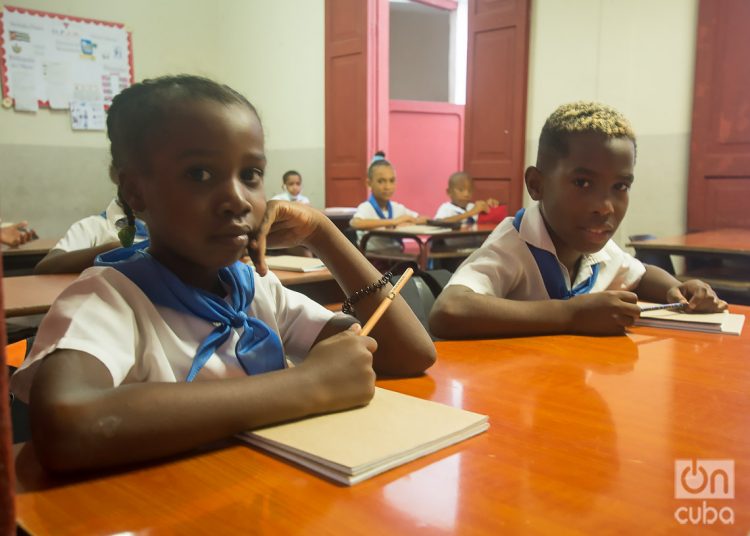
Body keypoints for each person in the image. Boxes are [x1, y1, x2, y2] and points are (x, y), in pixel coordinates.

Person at [10, 75, 435, 473]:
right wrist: (308, 385)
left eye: (250, 175)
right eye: (200, 174)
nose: (236, 199)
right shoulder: (108, 298)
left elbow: (409, 355)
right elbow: (65, 425)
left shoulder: (256, 289)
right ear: (135, 191)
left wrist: (323, 235)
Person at [430, 101, 727, 339]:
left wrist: (677, 289)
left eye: (620, 187)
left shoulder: (595, 247)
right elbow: (449, 310)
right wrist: (570, 314)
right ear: (536, 185)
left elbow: (641, 274)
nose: (605, 207)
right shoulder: (513, 245)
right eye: (583, 183)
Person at [34, 172, 149, 274]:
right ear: (116, 174)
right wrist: (115, 250)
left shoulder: (162, 230)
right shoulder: (93, 227)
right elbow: (45, 266)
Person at [349, 151, 429, 251]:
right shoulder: (366, 207)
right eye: (381, 181)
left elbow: (425, 219)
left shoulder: (397, 207)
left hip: (397, 257)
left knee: (416, 262)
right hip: (373, 260)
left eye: (391, 181)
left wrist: (412, 221)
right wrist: (394, 222)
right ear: (369, 183)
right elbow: (355, 223)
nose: (387, 187)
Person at [434, 171, 499, 224]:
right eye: (461, 190)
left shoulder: (472, 206)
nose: (466, 194)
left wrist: (490, 206)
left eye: (470, 190)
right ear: (449, 192)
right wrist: (471, 213)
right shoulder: (446, 208)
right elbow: (438, 222)